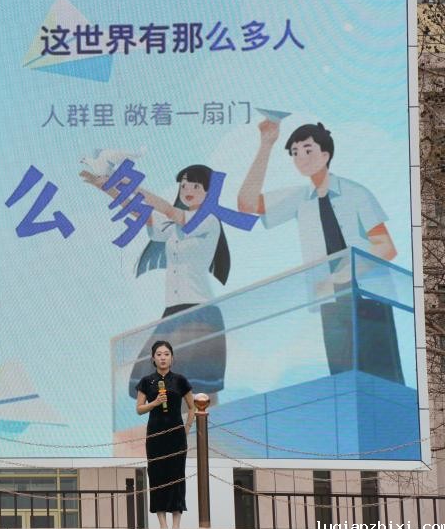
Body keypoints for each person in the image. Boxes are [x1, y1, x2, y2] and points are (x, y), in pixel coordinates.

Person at [237, 120, 404, 383]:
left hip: (369, 298)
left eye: (307, 149)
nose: (300, 158)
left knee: (384, 380)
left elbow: (385, 246)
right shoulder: (300, 198)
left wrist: (340, 276)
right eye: (294, 153)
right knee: (344, 382)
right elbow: (246, 203)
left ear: (325, 154)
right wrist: (266, 145)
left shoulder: (355, 192)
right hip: (330, 303)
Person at [80, 164, 229, 401]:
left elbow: (169, 210)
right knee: (164, 380)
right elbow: (141, 213)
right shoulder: (174, 226)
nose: (187, 190)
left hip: (199, 311)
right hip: (173, 311)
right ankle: (180, 425)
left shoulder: (208, 220)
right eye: (184, 186)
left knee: (200, 385)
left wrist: (128, 183)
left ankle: (209, 425)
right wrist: (106, 186)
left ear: (209, 192)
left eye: (195, 186)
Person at [136, 340, 194, 529]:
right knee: (157, 475)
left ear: (172, 358)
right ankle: (162, 525)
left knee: (177, 475)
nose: (163, 358)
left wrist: (187, 427)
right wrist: (154, 403)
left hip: (176, 435)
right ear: (153, 358)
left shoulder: (180, 380)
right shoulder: (146, 381)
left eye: (166, 354)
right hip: (155, 435)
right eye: (159, 354)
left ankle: (176, 525)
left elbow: (193, 407)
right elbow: (139, 409)